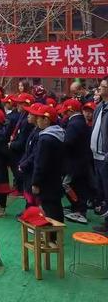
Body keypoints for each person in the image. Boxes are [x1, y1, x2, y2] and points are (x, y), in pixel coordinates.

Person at [61, 98, 93, 224]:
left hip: (74, 162)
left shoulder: (74, 123)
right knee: (77, 185)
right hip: (80, 160)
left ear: (71, 110)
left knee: (68, 184)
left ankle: (79, 209)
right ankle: (77, 207)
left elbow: (67, 142)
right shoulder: (79, 121)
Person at [31, 104, 65, 223]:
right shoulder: (59, 133)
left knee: (49, 208)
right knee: (55, 205)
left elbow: (40, 163)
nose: (37, 120)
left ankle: (52, 237)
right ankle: (56, 234)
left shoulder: (45, 139)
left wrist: (36, 182)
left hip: (46, 180)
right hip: (55, 177)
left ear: (46, 120)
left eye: (39, 118)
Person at [90, 77, 108, 234]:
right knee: (102, 190)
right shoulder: (99, 107)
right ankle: (106, 222)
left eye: (103, 86)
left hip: (105, 156)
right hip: (96, 155)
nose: (100, 89)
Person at [9, 92, 35, 196]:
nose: (18, 105)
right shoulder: (22, 116)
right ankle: (19, 188)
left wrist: (12, 144)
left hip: (21, 151)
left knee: (21, 170)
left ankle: (21, 189)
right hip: (17, 148)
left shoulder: (26, 121)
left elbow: (23, 140)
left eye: (21, 103)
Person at [18, 103, 43, 210]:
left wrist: (24, 164)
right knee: (28, 191)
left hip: (33, 168)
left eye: (31, 114)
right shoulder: (34, 130)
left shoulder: (39, 134)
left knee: (34, 194)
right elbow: (28, 150)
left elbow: (34, 154)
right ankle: (29, 211)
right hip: (28, 167)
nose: (28, 115)